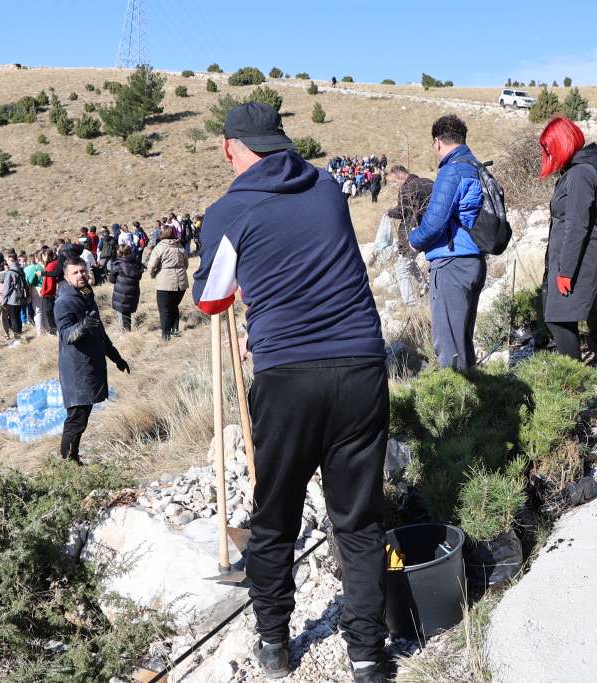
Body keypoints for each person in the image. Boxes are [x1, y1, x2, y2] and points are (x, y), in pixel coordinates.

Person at [193, 103, 388, 683]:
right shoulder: (328, 188)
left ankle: (275, 643)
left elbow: (210, 299)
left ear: (230, 147)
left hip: (288, 376)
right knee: (358, 520)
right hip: (361, 365)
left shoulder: (227, 211)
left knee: (275, 515)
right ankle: (367, 656)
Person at [409, 114, 486, 370]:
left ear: (437, 142)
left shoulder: (452, 170)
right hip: (474, 260)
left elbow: (434, 223)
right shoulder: (475, 166)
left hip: (452, 264)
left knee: (449, 347)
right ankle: (474, 389)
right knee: (462, 342)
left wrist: (414, 240)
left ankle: (456, 395)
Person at [538, 117, 597, 360]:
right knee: (558, 318)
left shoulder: (580, 174)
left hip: (582, 258)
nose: (548, 154)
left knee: (559, 319)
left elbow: (577, 225)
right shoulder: (575, 171)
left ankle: (572, 375)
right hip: (572, 257)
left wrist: (566, 271)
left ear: (562, 143)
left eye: (550, 148)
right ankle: (574, 369)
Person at [55, 258, 129, 464]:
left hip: (90, 365)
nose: (80, 275)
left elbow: (100, 333)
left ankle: (72, 458)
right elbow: (66, 335)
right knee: (76, 418)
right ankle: (67, 462)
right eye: (75, 273)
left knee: (82, 416)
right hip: (76, 369)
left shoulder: (86, 295)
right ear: (66, 277)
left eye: (83, 271)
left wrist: (116, 357)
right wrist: (83, 325)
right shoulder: (64, 302)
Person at [385, 165, 432, 305]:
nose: (395, 185)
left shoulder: (407, 188)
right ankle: (425, 286)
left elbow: (402, 212)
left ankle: (410, 304)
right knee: (409, 263)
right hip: (429, 230)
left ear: (400, 175)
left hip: (412, 232)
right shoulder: (427, 182)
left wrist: (389, 212)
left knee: (401, 269)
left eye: (394, 181)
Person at [147, 225, 189, 341]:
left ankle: (166, 335)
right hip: (181, 282)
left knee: (164, 308)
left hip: (165, 282)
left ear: (162, 234)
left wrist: (153, 274)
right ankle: (175, 329)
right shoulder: (179, 246)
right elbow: (186, 264)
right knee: (174, 305)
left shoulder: (160, 247)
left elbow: (151, 265)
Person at [108, 245, 144, 331]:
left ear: (119, 253)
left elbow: (112, 280)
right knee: (127, 314)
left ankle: (125, 334)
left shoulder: (117, 264)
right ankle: (127, 332)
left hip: (121, 294)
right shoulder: (137, 264)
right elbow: (139, 277)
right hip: (133, 293)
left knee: (122, 315)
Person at [0, 252, 27, 339]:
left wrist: (3, 301)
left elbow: (7, 288)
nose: (6, 261)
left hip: (13, 298)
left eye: (7, 259)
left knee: (13, 318)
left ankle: (17, 338)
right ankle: (19, 336)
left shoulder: (10, 272)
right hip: (21, 297)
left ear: (11, 259)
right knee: (18, 318)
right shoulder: (20, 269)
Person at [40, 248, 60, 335]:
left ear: (46, 256)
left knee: (49, 312)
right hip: (53, 292)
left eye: (43, 256)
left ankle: (53, 331)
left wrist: (44, 292)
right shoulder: (54, 263)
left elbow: (49, 283)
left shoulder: (51, 266)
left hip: (50, 293)